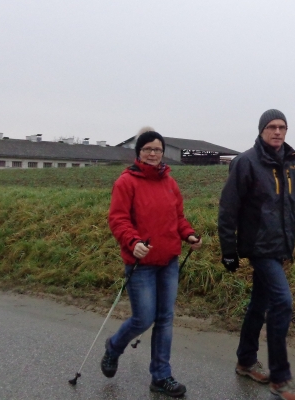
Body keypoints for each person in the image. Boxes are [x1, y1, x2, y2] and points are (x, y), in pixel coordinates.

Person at [218, 109, 295, 400]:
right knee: (282, 302)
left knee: (259, 303)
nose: (277, 131)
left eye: (282, 127)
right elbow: (228, 208)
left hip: (281, 246)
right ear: (262, 130)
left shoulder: (292, 163)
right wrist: (228, 249)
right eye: (272, 127)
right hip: (259, 246)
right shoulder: (246, 162)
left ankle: (245, 360)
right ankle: (280, 378)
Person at [102, 128, 202, 398]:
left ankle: (161, 376)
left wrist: (189, 234)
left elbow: (178, 218)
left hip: (168, 260)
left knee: (165, 319)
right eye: (148, 149)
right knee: (143, 318)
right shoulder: (126, 182)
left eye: (157, 149)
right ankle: (113, 347)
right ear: (139, 152)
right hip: (141, 263)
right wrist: (133, 241)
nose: (153, 153)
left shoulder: (170, 183)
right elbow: (118, 219)